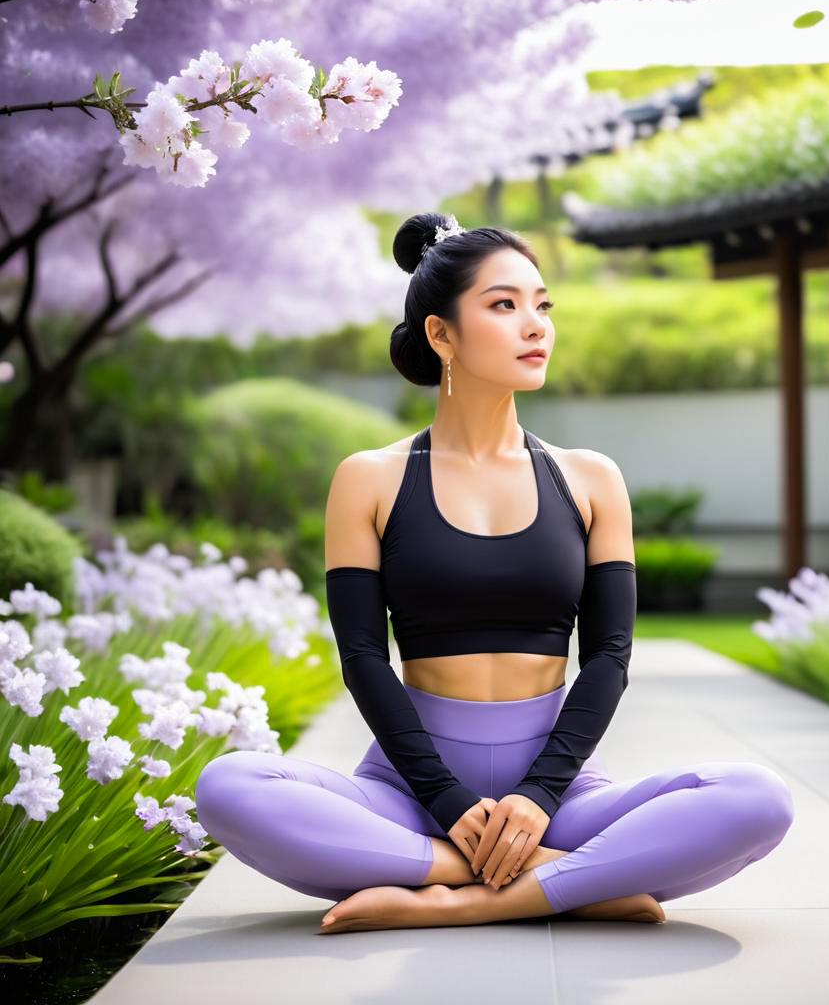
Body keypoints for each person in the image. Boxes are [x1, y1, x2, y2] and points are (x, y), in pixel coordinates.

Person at [194, 211, 795, 934]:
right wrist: (448, 805)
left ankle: (448, 894)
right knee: (229, 785)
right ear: (441, 334)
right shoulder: (370, 479)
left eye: (542, 305)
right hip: (407, 790)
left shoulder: (591, 479)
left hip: (560, 792)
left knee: (758, 798)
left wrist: (539, 796)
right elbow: (361, 658)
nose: (535, 325)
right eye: (504, 305)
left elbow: (609, 656)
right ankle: (563, 876)